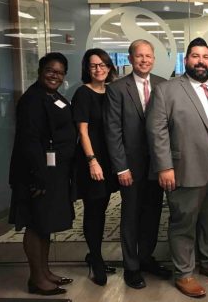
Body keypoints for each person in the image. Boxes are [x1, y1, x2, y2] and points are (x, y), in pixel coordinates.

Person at [146, 38, 208, 298]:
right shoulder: (167, 89)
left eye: (205, 57)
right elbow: (156, 131)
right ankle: (184, 273)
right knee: (183, 223)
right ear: (186, 61)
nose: (200, 61)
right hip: (185, 169)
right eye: (195, 56)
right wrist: (164, 167)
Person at [9, 52, 76, 296]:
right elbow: (30, 142)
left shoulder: (54, 96)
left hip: (53, 171)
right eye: (50, 70)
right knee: (36, 224)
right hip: (36, 174)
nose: (54, 75)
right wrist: (38, 176)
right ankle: (36, 279)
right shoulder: (32, 100)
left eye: (59, 72)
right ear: (40, 71)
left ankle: (45, 272)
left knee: (45, 223)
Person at [104, 39, 169, 289]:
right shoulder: (118, 88)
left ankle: (146, 258)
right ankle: (131, 266)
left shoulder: (164, 85)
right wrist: (121, 167)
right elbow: (113, 132)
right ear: (130, 59)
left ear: (154, 59)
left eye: (148, 56)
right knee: (131, 215)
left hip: (157, 164)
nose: (144, 60)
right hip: (130, 167)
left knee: (153, 213)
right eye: (139, 56)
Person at [71, 48, 119, 286]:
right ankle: (96, 259)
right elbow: (82, 131)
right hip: (93, 160)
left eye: (103, 64)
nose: (99, 69)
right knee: (94, 210)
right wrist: (92, 161)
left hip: (110, 159)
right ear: (87, 69)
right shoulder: (83, 93)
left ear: (109, 67)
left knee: (102, 207)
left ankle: (94, 254)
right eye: (93, 66)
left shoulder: (110, 92)